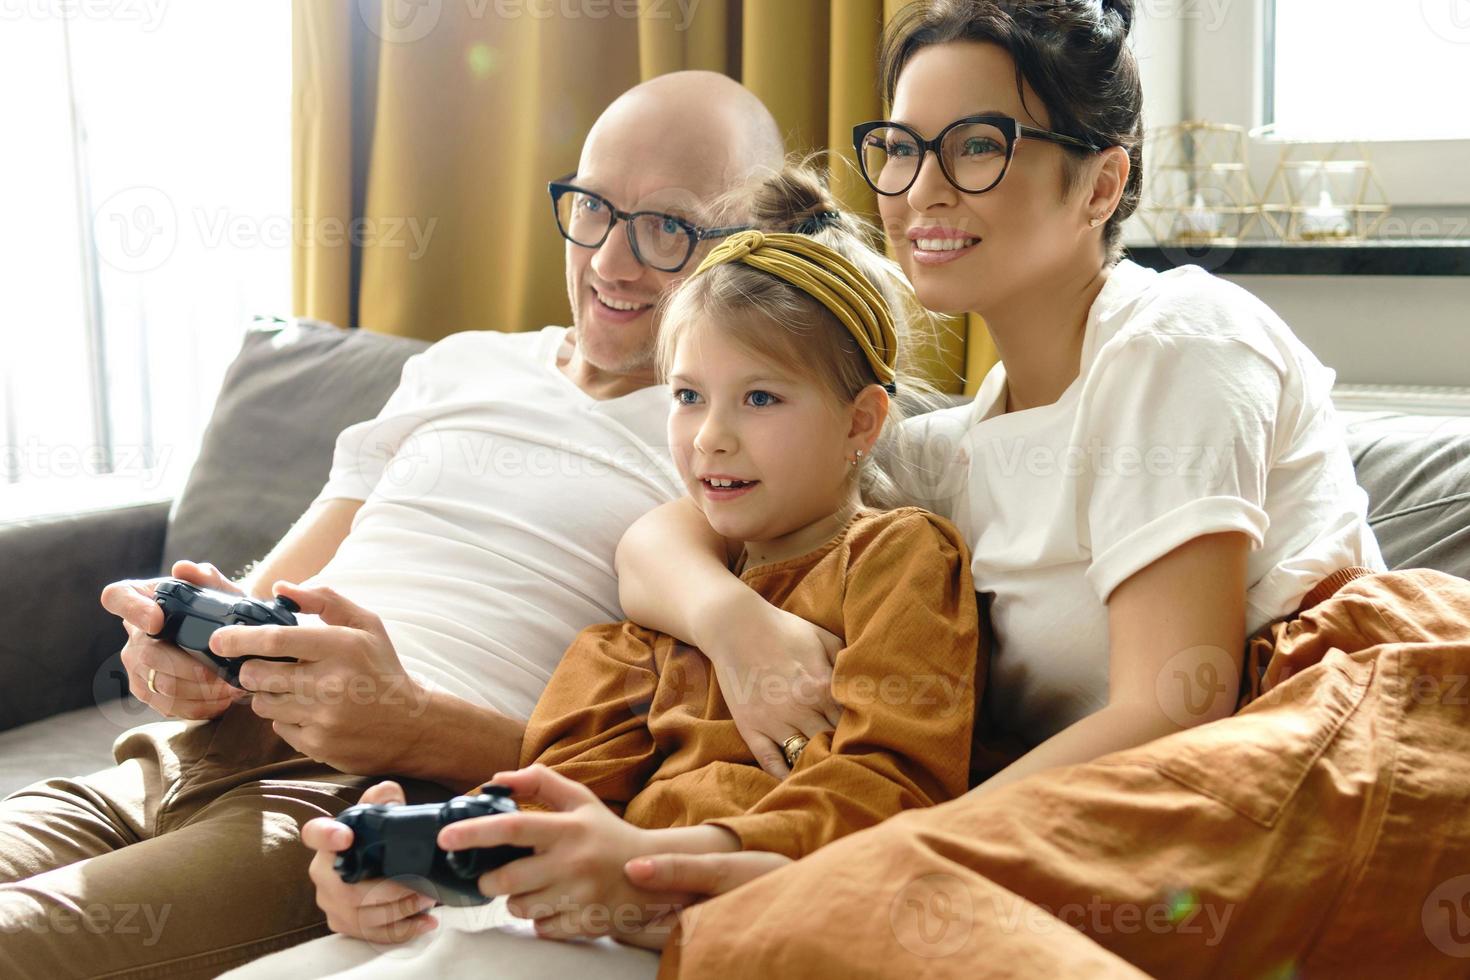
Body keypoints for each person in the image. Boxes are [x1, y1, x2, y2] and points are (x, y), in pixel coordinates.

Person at [602, 1, 1470, 977]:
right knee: (781, 922)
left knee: (810, 910)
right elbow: (674, 528)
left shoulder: (1177, 336)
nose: (922, 191)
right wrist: (732, 619)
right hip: (1184, 792)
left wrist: (860, 851)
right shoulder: (958, 446)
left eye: (978, 147)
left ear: (1102, 183)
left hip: (1346, 734)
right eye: (901, 148)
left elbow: (1176, 704)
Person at [0, 71, 801, 979]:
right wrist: (187, 647)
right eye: (591, 209)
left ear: (752, 241)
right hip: (182, 754)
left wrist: (411, 724)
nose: (611, 262)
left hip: (358, 804)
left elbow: (649, 769)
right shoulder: (463, 366)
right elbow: (281, 582)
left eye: (667, 226)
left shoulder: (738, 437)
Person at [225, 166, 983, 979]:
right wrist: (432, 845)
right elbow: (553, 795)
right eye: (689, 396)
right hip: (593, 917)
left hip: (740, 923)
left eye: (760, 399)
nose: (710, 438)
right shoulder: (632, 635)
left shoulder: (899, 559)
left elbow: (892, 790)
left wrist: (646, 859)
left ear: (861, 422)